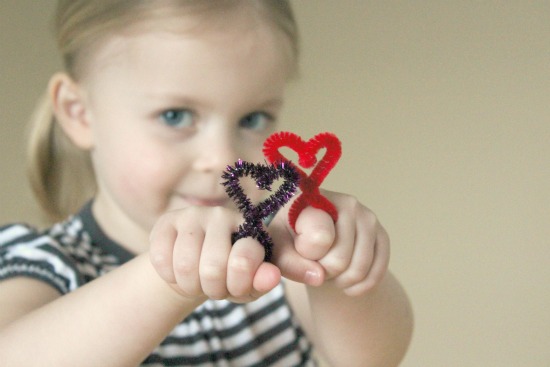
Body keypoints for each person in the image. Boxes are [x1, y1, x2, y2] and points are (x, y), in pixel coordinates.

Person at [0, 1, 413, 366]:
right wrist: (170, 278)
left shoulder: (277, 253)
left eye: (252, 119)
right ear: (79, 113)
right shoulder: (42, 262)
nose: (222, 158)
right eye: (175, 116)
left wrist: (336, 259)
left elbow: (373, 358)